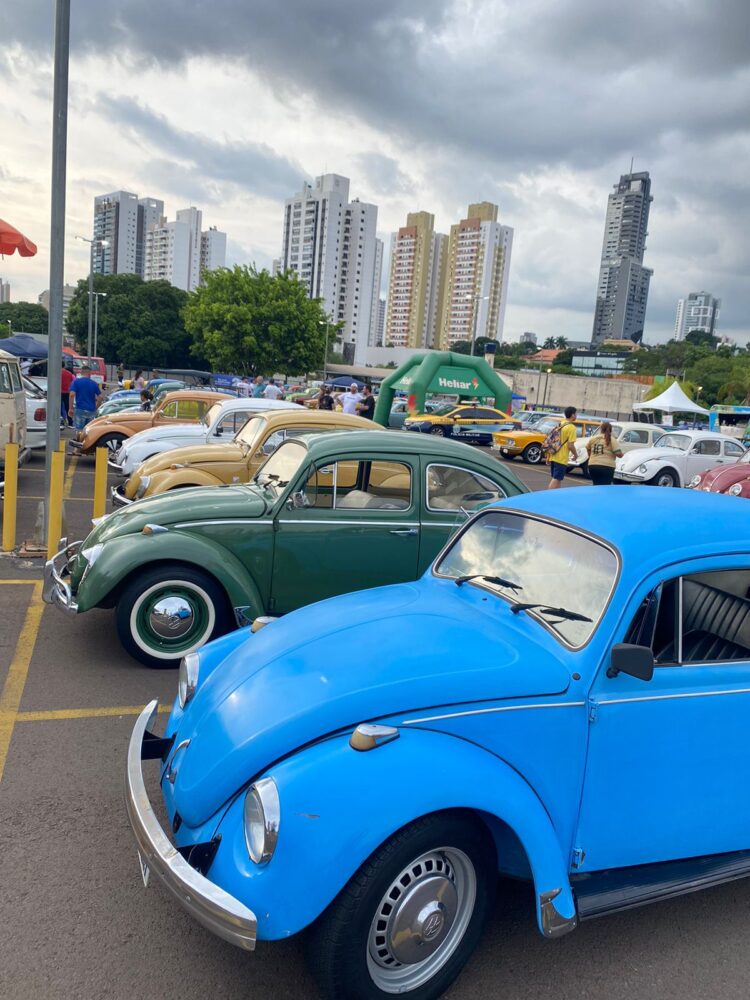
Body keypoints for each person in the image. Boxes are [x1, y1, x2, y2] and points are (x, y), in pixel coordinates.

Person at [546, 406, 578, 490]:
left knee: (558, 479)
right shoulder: (572, 428)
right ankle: (548, 496)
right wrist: (575, 455)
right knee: (556, 478)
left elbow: (552, 440)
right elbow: (570, 445)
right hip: (561, 457)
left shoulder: (561, 423)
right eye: (576, 414)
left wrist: (548, 455)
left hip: (554, 454)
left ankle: (555, 497)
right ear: (572, 415)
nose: (576, 415)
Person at [586, 421, 623, 485]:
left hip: (593, 465)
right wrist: (622, 454)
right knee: (605, 487)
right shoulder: (612, 439)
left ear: (601, 429)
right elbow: (618, 454)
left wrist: (591, 457)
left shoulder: (593, 439)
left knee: (596, 484)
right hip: (607, 467)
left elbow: (588, 448)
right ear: (611, 430)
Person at [69, 365, 103, 431]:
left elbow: (72, 395)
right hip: (91, 410)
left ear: (81, 372)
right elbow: (101, 397)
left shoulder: (76, 382)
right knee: (89, 431)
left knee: (79, 431)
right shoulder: (94, 384)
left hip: (80, 409)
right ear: (89, 373)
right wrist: (96, 407)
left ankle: (80, 441)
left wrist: (70, 408)